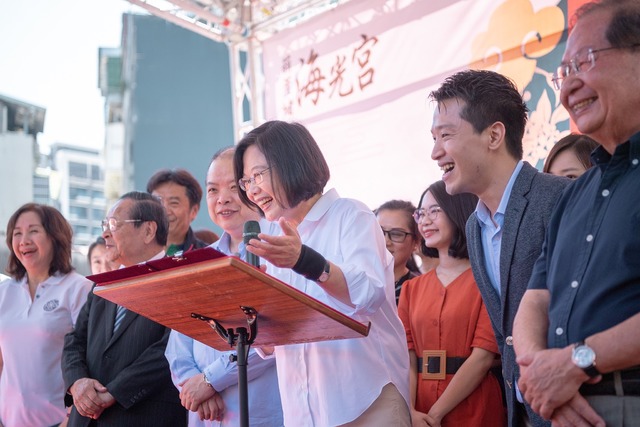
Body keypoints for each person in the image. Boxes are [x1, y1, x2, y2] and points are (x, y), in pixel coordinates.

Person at [233, 120, 411, 426]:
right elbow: (274, 344)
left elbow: (367, 294)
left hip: (368, 402)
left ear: (291, 163)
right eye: (246, 181)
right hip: (303, 411)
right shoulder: (271, 238)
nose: (252, 190)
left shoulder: (351, 215)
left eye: (258, 175)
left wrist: (305, 261)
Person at [514, 1, 640, 426]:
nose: (568, 87)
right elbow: (536, 299)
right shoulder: (574, 196)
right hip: (562, 407)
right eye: (563, 72)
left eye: (584, 62)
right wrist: (542, 373)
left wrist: (576, 363)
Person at [429, 69, 569, 427]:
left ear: (494, 135)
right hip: (520, 411)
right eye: (434, 138)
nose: (435, 152)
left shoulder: (558, 198)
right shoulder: (475, 225)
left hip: (572, 407)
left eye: (446, 135)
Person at [165, 147, 283, 426]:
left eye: (233, 186)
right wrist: (194, 385)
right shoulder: (200, 261)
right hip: (204, 415)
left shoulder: (280, 250)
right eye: (213, 190)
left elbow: (277, 336)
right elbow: (177, 345)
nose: (223, 199)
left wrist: (211, 380)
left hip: (261, 412)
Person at [62, 191, 187, 427]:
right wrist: (77, 383)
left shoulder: (178, 281)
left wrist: (115, 392)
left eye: (114, 224)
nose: (105, 233)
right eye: (105, 225)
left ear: (148, 231)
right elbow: (74, 340)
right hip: (86, 419)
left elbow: (169, 349)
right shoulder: (104, 284)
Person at [398, 181, 505, 426]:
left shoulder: (488, 280)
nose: (425, 221)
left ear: (458, 211)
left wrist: (435, 415)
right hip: (419, 408)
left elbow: (482, 357)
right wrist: (410, 410)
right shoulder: (411, 288)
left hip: (474, 406)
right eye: (421, 213)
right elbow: (408, 358)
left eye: (434, 211)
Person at [0, 203, 92, 427]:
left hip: (58, 421)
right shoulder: (4, 291)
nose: (24, 240)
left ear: (55, 236)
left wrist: (70, 418)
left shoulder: (78, 288)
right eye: (17, 233)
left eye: (33, 231)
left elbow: (90, 360)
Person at [147, 168, 208, 255]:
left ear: (194, 211)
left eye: (173, 203)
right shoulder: (133, 253)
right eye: (157, 202)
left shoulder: (207, 257)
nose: (164, 211)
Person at [374, 199, 422, 304]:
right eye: (379, 232)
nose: (385, 241)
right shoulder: (350, 281)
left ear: (416, 242)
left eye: (396, 234)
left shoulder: (421, 291)